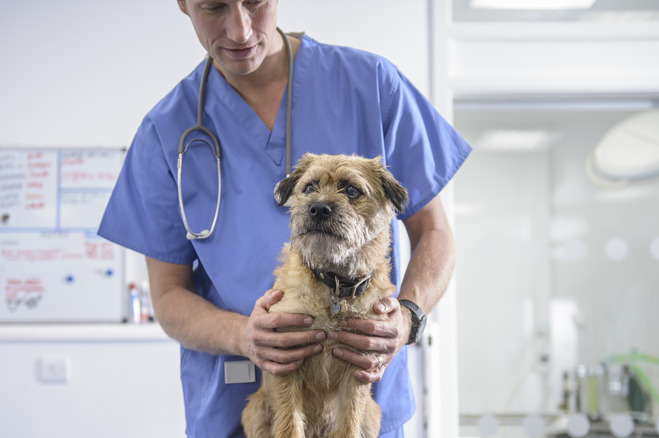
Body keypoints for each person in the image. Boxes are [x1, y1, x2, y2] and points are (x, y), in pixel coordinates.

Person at [98, 1, 471, 437]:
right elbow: (167, 295)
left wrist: (406, 317)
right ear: (183, 4)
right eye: (214, 7)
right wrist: (244, 336)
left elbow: (435, 232)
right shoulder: (165, 131)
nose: (240, 30)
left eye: (255, 3)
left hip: (360, 406)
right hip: (239, 409)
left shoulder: (372, 85)